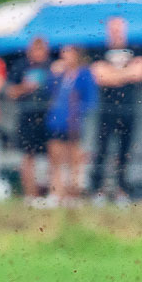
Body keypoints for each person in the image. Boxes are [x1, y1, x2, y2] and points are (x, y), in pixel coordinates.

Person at [90, 17, 142, 203]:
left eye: (119, 29)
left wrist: (113, 74)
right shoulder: (99, 51)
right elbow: (99, 76)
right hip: (106, 110)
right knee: (102, 149)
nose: (116, 33)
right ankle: (98, 190)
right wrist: (126, 73)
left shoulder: (136, 48)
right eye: (112, 30)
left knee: (125, 151)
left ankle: (122, 190)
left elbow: (141, 73)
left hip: (128, 109)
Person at [45, 44, 97, 204]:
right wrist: (53, 75)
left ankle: (72, 194)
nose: (65, 56)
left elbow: (91, 99)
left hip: (75, 122)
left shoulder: (84, 74)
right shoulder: (59, 74)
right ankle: (56, 192)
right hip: (57, 120)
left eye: (68, 53)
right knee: (55, 157)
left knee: (74, 159)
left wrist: (79, 114)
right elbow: (48, 91)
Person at [6, 36, 53, 203]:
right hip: (27, 115)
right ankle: (30, 194)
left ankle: (50, 194)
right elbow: (11, 93)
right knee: (28, 155)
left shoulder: (52, 67)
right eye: (35, 49)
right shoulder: (21, 66)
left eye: (42, 49)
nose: (38, 53)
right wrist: (25, 88)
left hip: (48, 115)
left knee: (51, 154)